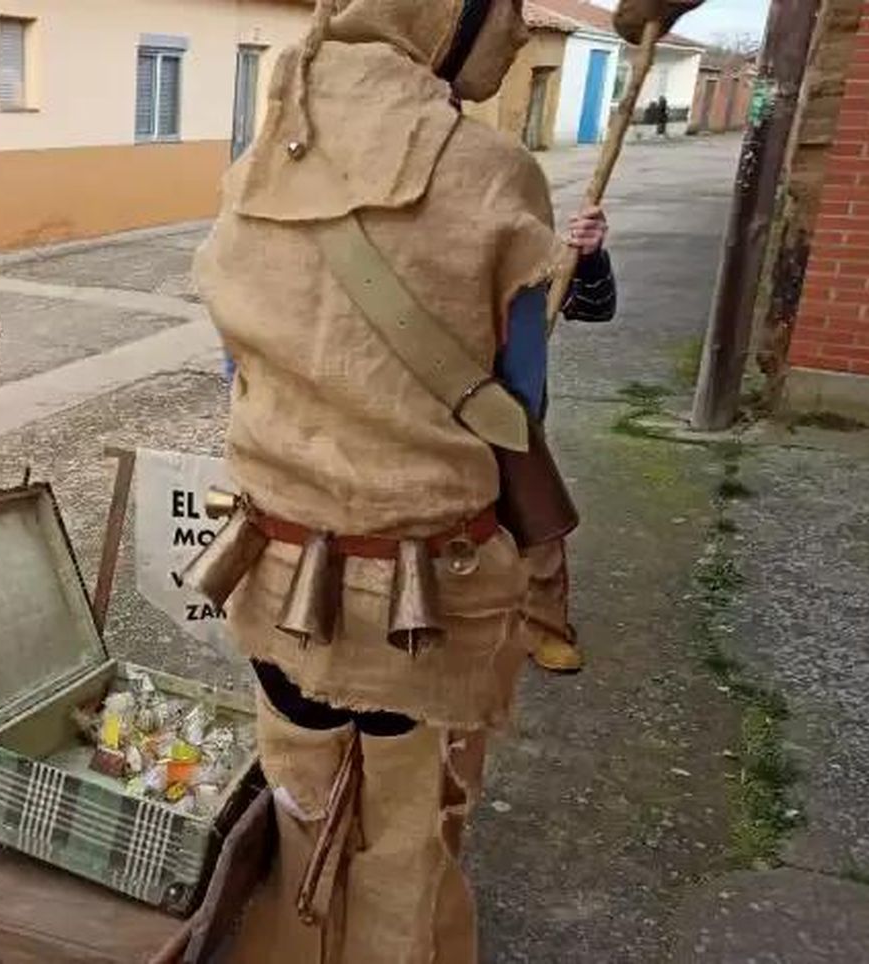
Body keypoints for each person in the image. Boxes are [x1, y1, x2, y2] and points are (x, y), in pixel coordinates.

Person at [192, 1, 587, 959]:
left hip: (279, 567)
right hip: (425, 592)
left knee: (299, 801)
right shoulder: (493, 173)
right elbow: (518, 397)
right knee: (406, 831)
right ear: (444, 18)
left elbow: (240, 369)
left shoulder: (260, 164)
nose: (524, 35)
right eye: (510, 11)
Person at [506, 207, 617, 675]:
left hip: (513, 408)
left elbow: (594, 306)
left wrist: (587, 255)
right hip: (431, 406)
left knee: (533, 522)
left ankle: (544, 625)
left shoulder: (526, 244)